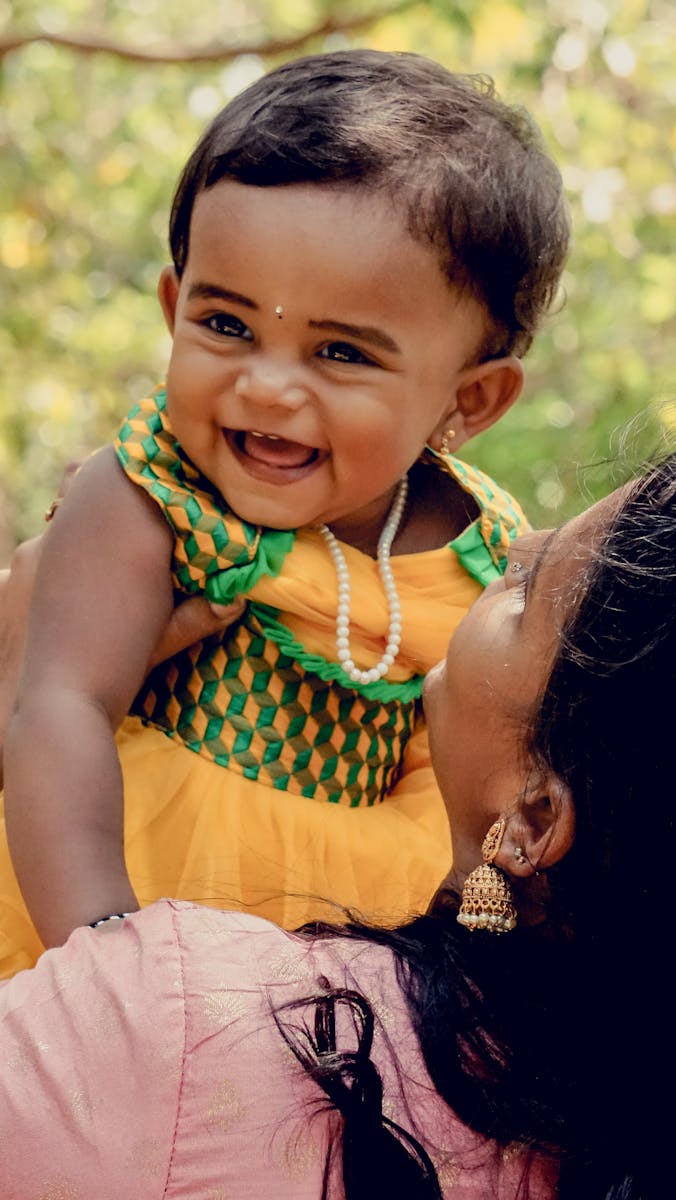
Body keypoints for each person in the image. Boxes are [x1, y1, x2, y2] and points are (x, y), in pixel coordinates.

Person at [1, 49, 570, 975]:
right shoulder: (151, 493)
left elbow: (487, 787)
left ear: (470, 401)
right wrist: (101, 957)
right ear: (174, 306)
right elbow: (59, 703)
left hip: (347, 951)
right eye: (226, 326)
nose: (265, 387)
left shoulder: (489, 562)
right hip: (126, 897)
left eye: (340, 353)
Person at [0, 454, 672, 1199]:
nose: (508, 543)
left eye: (526, 588)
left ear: (534, 818)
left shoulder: (182, 1023)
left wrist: (23, 690)